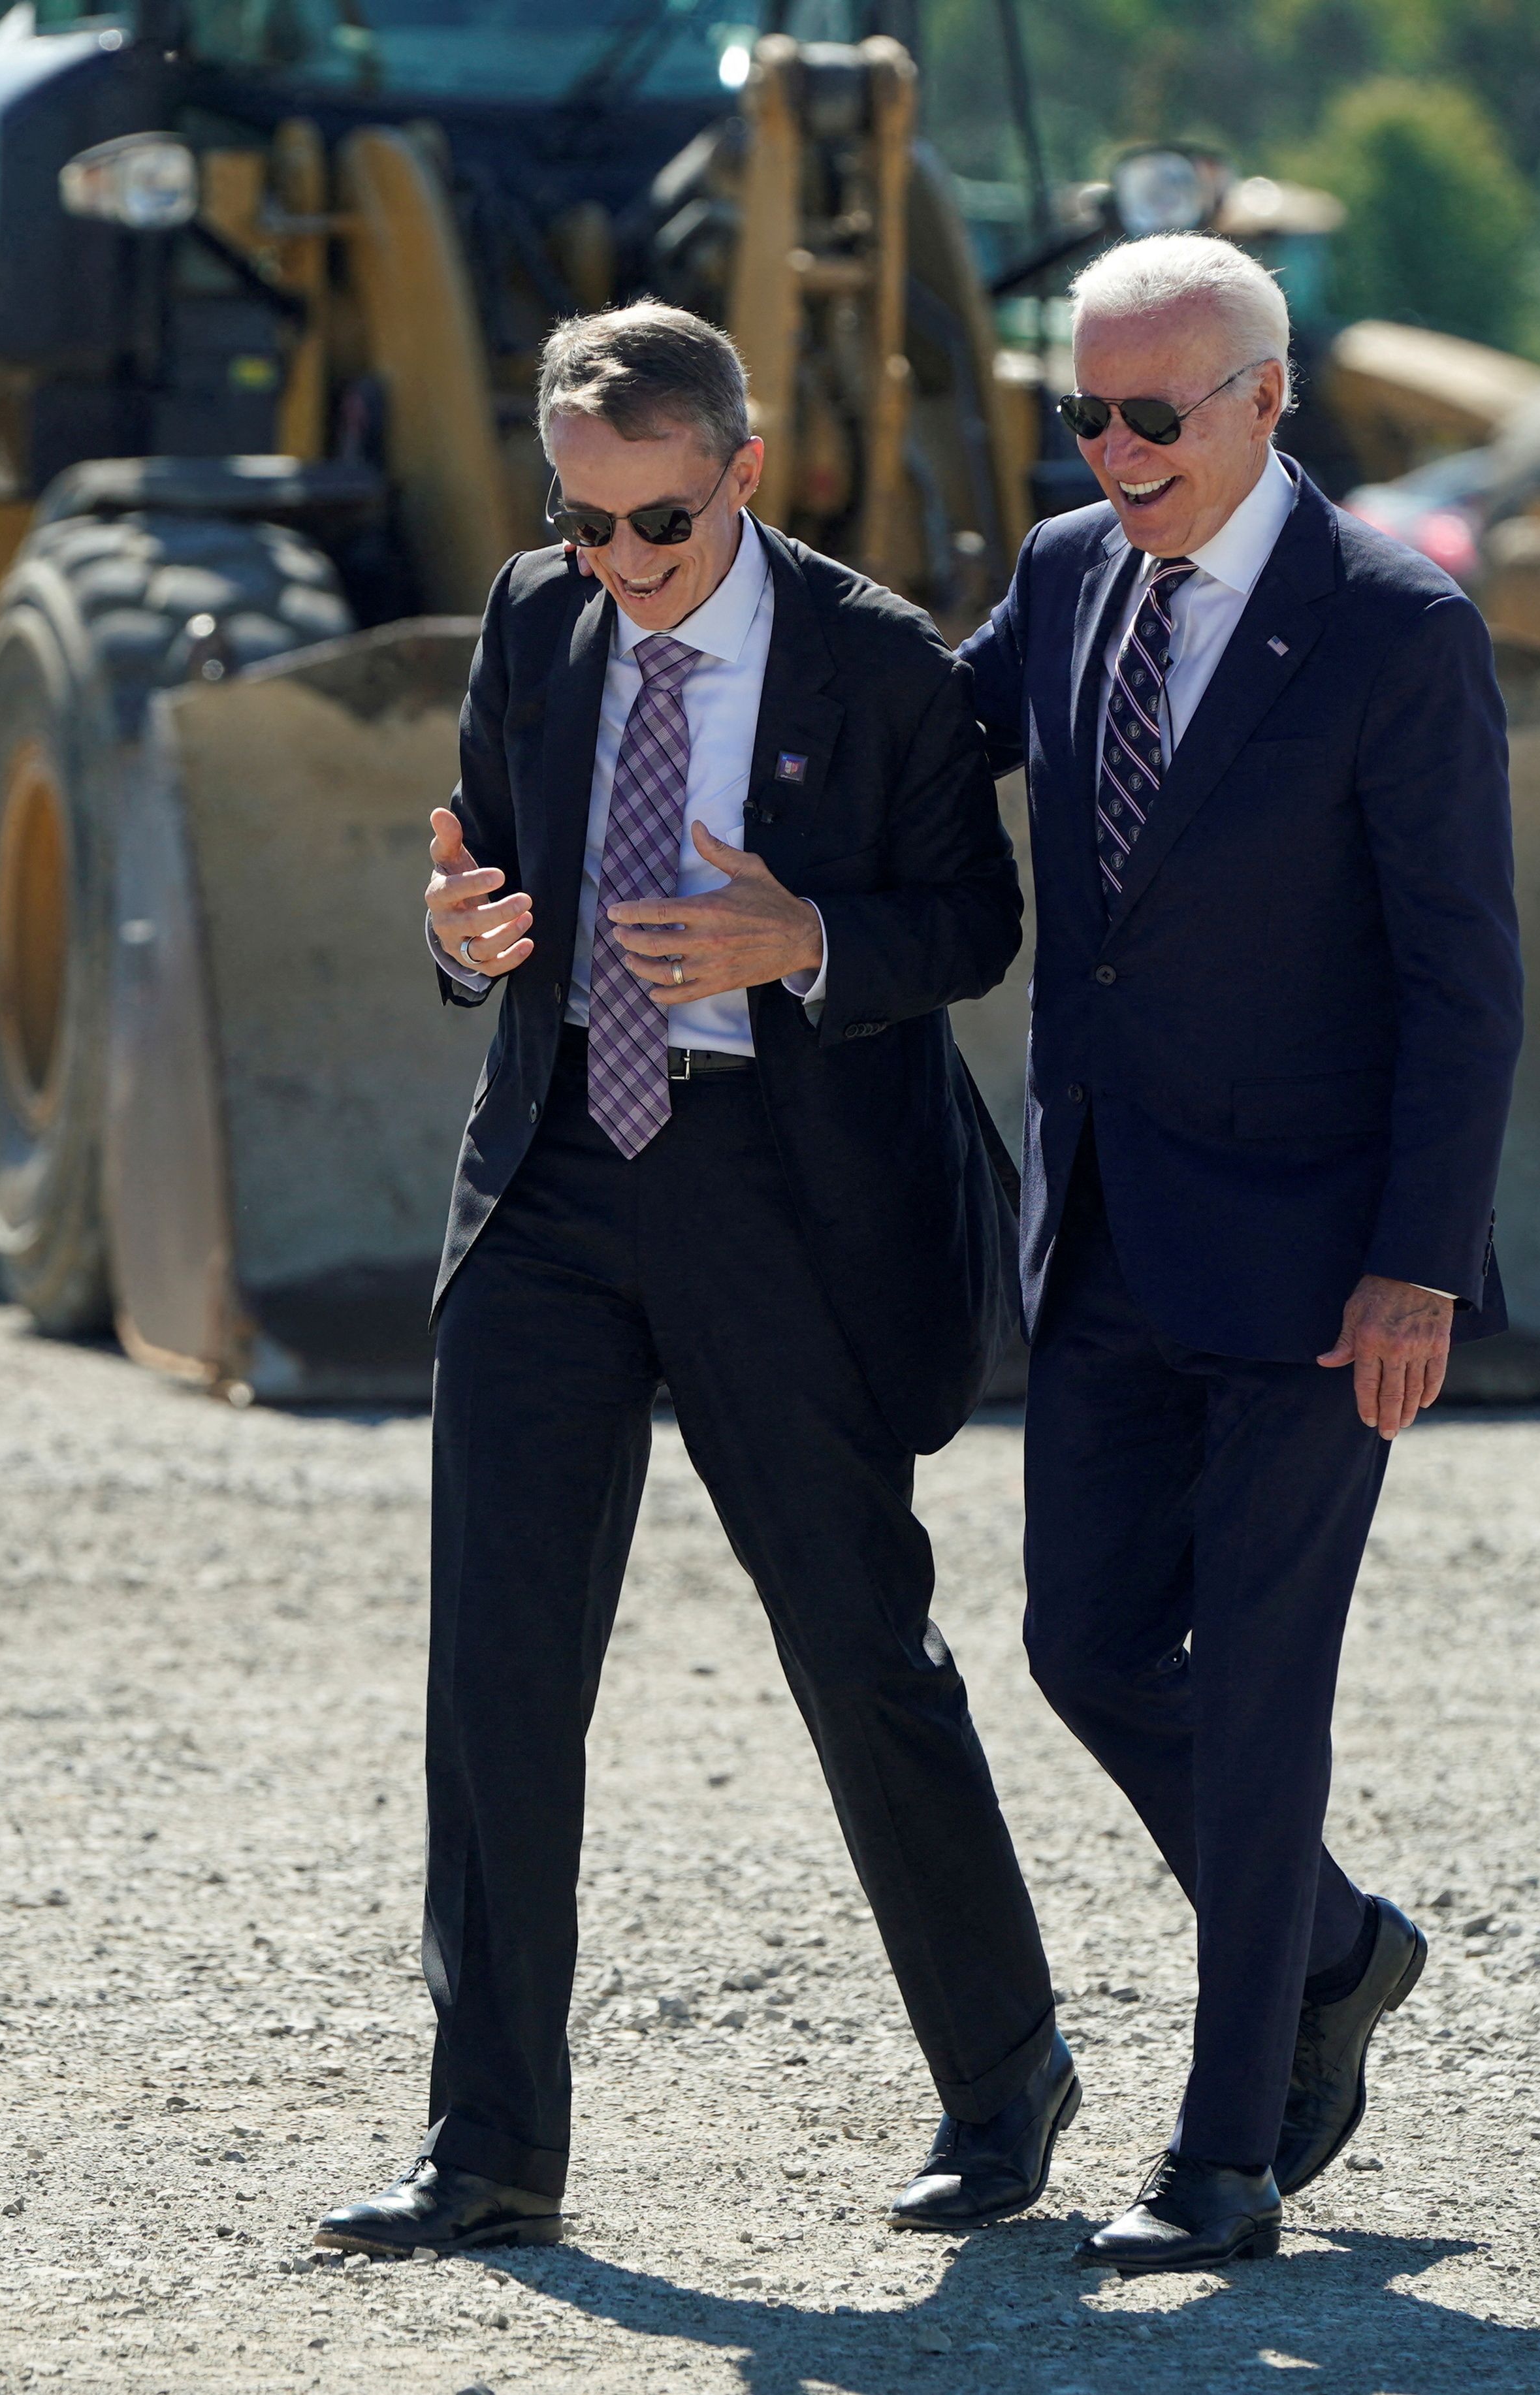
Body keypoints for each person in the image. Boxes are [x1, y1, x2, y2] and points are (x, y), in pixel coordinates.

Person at [314, 302, 1073, 2257]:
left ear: (743, 472)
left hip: (781, 1192)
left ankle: (1004, 2077)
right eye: (583, 523)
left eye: (654, 524)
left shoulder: (880, 662)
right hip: (557, 1173)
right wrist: (463, 934)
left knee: (852, 1639)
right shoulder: (530, 618)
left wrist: (799, 933)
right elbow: (482, 871)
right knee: (494, 1661)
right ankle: (488, 2139)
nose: (618, 567)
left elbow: (974, 926)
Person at [959, 233, 1522, 2274]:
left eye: (1150, 415)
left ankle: (1223, 2157)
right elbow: (922, 755)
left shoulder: (1394, 632)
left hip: (1314, 1266)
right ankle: (1341, 1945)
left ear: (1264, 400)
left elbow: (1464, 985)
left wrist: (1418, 1261)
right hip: (1101, 1224)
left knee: (1264, 1689)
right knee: (1083, 1648)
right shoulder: (1057, 576)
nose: (1111, 451)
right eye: (1080, 413)